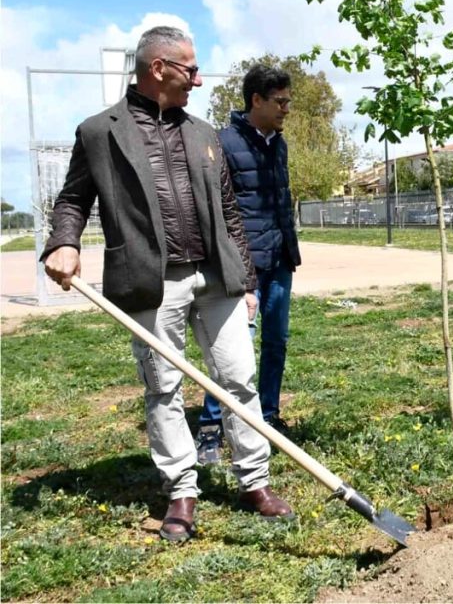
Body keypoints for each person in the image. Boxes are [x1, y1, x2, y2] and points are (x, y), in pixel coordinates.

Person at [41, 26, 294, 543]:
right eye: (190, 70)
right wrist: (63, 243)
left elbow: (228, 212)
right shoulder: (98, 132)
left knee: (239, 378)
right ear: (158, 69)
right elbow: (71, 201)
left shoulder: (203, 134)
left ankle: (254, 481)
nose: (197, 81)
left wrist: (245, 279)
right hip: (152, 283)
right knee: (163, 387)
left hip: (217, 277)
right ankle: (182, 490)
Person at [196, 64, 301, 465]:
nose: (286, 109)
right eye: (280, 101)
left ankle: (267, 419)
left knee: (276, 342)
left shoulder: (279, 143)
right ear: (255, 100)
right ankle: (211, 428)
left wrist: (287, 249)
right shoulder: (222, 143)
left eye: (288, 101)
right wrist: (235, 267)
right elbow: (222, 211)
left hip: (279, 261)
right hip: (243, 267)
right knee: (234, 351)